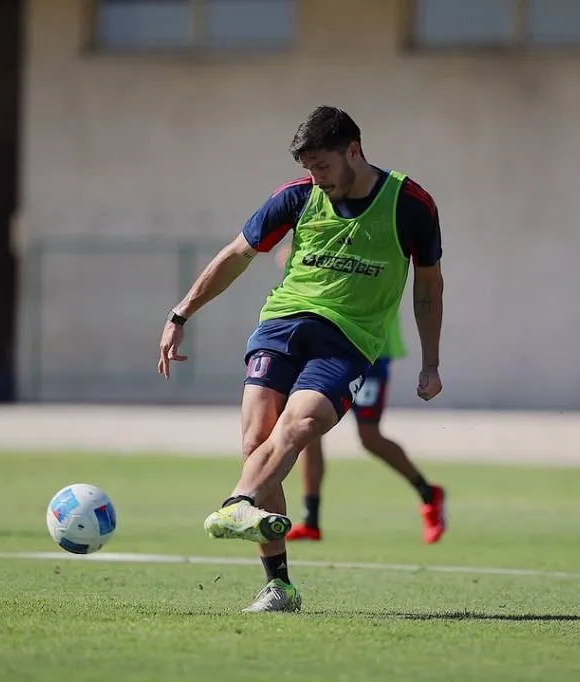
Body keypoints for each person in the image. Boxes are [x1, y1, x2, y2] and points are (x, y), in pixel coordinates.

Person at [157, 106, 446, 612]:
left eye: (325, 168)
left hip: (348, 342)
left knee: (301, 423)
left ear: (353, 150)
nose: (318, 180)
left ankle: (236, 504)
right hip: (282, 325)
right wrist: (181, 313)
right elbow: (236, 256)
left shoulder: (410, 205)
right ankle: (279, 586)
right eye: (310, 169)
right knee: (255, 440)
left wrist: (430, 361)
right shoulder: (295, 196)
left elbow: (428, 286)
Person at [273, 247, 446, 544]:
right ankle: (311, 520)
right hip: (325, 348)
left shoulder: (380, 234)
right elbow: (286, 257)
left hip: (370, 349)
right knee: (307, 429)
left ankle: (428, 493)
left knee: (369, 437)